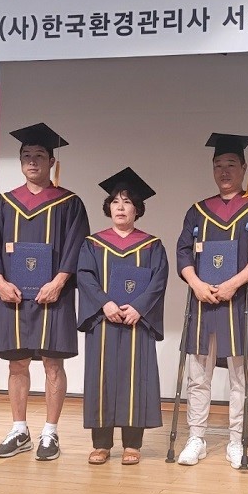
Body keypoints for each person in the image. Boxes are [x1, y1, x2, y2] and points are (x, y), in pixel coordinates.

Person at [0, 122, 90, 460]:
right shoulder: (4, 203)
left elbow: (78, 247)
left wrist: (59, 282)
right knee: (16, 364)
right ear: (21, 162)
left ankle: (50, 433)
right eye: (26, 156)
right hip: (14, 295)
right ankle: (19, 430)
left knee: (53, 364)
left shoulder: (69, 203)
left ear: (52, 161)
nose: (32, 161)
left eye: (39, 155)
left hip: (54, 294)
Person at [176, 133, 248, 469]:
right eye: (218, 165)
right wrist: (196, 284)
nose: (224, 171)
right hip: (203, 302)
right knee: (198, 376)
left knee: (240, 378)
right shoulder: (198, 211)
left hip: (240, 301)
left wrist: (233, 284)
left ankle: (236, 440)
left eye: (231, 164)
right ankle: (196, 438)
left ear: (244, 168)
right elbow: (183, 252)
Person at [77, 167, 168, 466]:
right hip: (104, 320)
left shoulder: (152, 245)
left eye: (127, 201)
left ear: (137, 209)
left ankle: (133, 444)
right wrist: (104, 304)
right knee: (101, 378)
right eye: (115, 201)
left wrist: (139, 307)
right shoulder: (93, 243)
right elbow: (85, 277)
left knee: (135, 379)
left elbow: (158, 281)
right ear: (108, 207)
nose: (120, 207)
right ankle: (101, 444)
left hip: (136, 321)